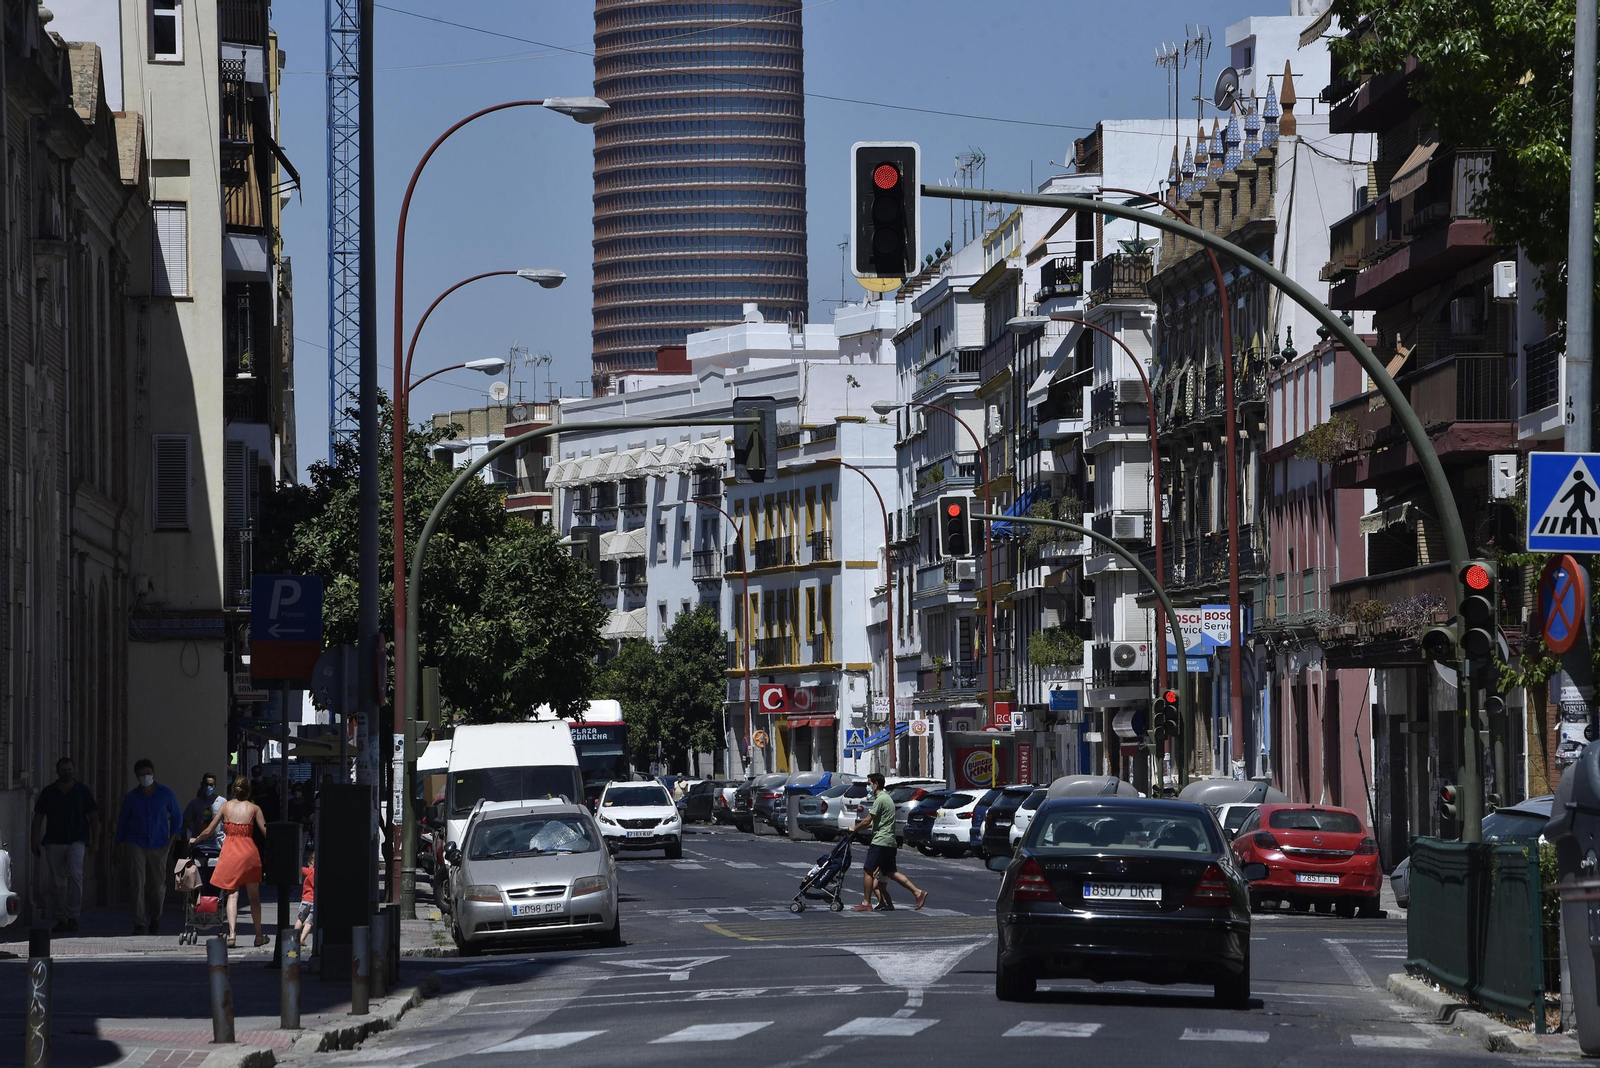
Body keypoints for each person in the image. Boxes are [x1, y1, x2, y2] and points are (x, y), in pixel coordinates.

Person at [191, 776, 268, 948]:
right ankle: (258, 936)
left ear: (233, 790)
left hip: (230, 853)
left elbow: (210, 830)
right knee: (254, 897)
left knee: (232, 895)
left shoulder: (225, 807)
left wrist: (196, 840)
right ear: (249, 791)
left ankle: (232, 935)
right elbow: (266, 832)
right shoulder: (254, 808)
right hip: (249, 853)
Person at [113, 758, 184, 935]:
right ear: (137, 776)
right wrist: (118, 844)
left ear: (154, 773)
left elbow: (177, 816)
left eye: (149, 773)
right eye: (142, 774)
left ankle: (156, 917)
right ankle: (139, 922)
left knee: (158, 885)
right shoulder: (131, 798)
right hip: (136, 842)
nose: (146, 777)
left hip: (160, 843)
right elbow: (123, 822)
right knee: (137, 882)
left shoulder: (166, 794)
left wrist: (171, 839)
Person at [31, 757, 97, 933]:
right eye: (64, 770)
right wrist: (34, 840)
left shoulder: (82, 791)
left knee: (75, 876)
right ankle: (61, 918)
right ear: (57, 772)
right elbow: (38, 817)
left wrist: (95, 841)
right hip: (54, 840)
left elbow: (93, 816)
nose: (67, 773)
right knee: (58, 882)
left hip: (77, 840)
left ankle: (73, 916)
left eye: (70, 770)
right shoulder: (49, 792)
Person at [849, 772, 928, 913]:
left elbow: (867, 820)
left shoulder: (880, 799)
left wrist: (854, 828)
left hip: (880, 841)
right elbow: (874, 822)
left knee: (868, 870)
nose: (868, 787)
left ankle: (866, 902)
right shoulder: (887, 798)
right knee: (891, 872)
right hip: (889, 842)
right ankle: (917, 892)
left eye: (869, 784)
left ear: (876, 784)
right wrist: (861, 828)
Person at [295, 847, 315, 950]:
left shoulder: (309, 871)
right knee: (309, 922)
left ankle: (294, 937)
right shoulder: (319, 874)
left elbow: (299, 869)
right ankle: (302, 939)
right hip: (314, 902)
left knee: (300, 919)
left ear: (311, 863)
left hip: (305, 900)